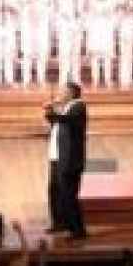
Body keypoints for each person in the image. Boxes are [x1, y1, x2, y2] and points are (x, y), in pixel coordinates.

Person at [44, 81, 88, 239]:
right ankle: (59, 223)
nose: (60, 93)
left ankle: (78, 229)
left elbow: (66, 120)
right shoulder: (67, 107)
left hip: (69, 160)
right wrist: (51, 111)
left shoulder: (79, 106)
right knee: (55, 192)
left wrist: (51, 110)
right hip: (57, 157)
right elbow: (57, 121)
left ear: (71, 93)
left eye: (63, 91)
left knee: (69, 195)